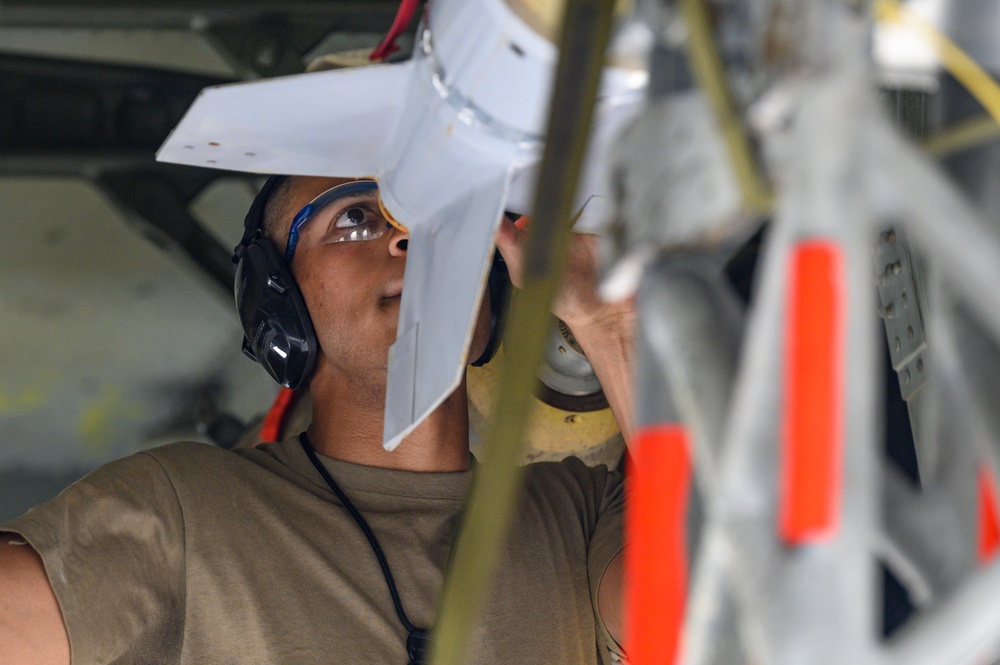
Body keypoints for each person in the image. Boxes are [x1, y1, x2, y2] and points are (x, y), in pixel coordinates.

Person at [0, 175, 636, 664]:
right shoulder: (184, 511)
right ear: (281, 307)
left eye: (437, 211)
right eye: (355, 216)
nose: (410, 235)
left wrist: (612, 327)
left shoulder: (580, 512)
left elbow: (705, 618)